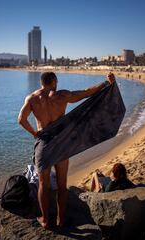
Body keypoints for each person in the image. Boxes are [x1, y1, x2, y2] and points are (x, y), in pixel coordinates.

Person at [18, 72, 116, 228]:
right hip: (62, 143)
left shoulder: (32, 99)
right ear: (54, 81)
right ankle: (60, 220)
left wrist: (34, 133)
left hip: (44, 142)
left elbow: (21, 120)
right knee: (62, 185)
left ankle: (45, 221)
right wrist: (106, 83)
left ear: (42, 82)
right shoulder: (62, 95)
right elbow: (85, 93)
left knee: (43, 184)